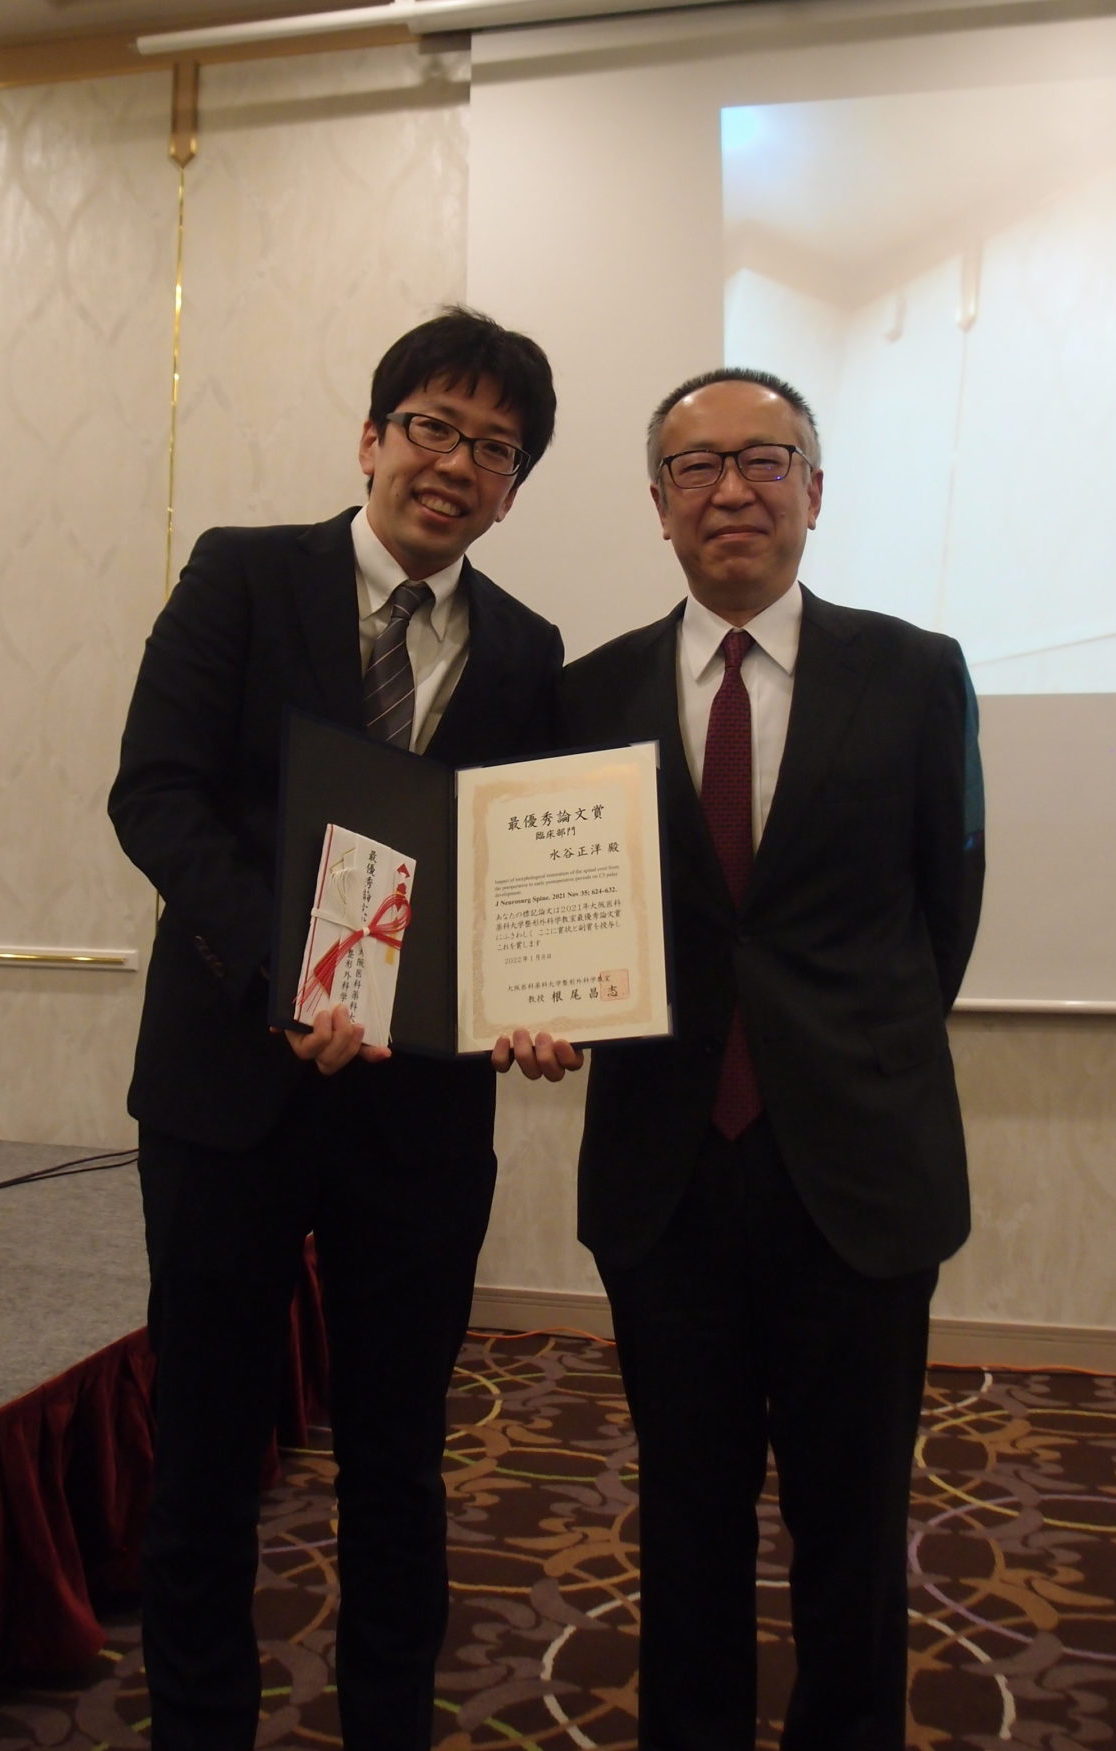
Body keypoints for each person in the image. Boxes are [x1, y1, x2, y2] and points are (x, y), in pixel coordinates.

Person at [108, 306, 563, 1751]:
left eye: (496, 449)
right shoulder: (244, 575)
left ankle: (388, 1725)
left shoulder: (528, 650)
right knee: (206, 1448)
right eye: (434, 426)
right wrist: (289, 973)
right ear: (372, 438)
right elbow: (157, 794)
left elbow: (517, 871)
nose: (457, 463)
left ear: (513, 490)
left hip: (419, 1117)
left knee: (399, 1457)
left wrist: (546, 991)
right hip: (230, 1091)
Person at [542, 367, 984, 1749]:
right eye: (697, 467)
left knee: (855, 1523)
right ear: (659, 503)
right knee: (685, 1513)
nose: (731, 489)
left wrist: (838, 1053)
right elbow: (557, 914)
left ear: (814, 489)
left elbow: (945, 909)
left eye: (765, 459)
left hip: (856, 1173)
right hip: (664, 1177)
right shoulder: (587, 692)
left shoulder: (915, 672)